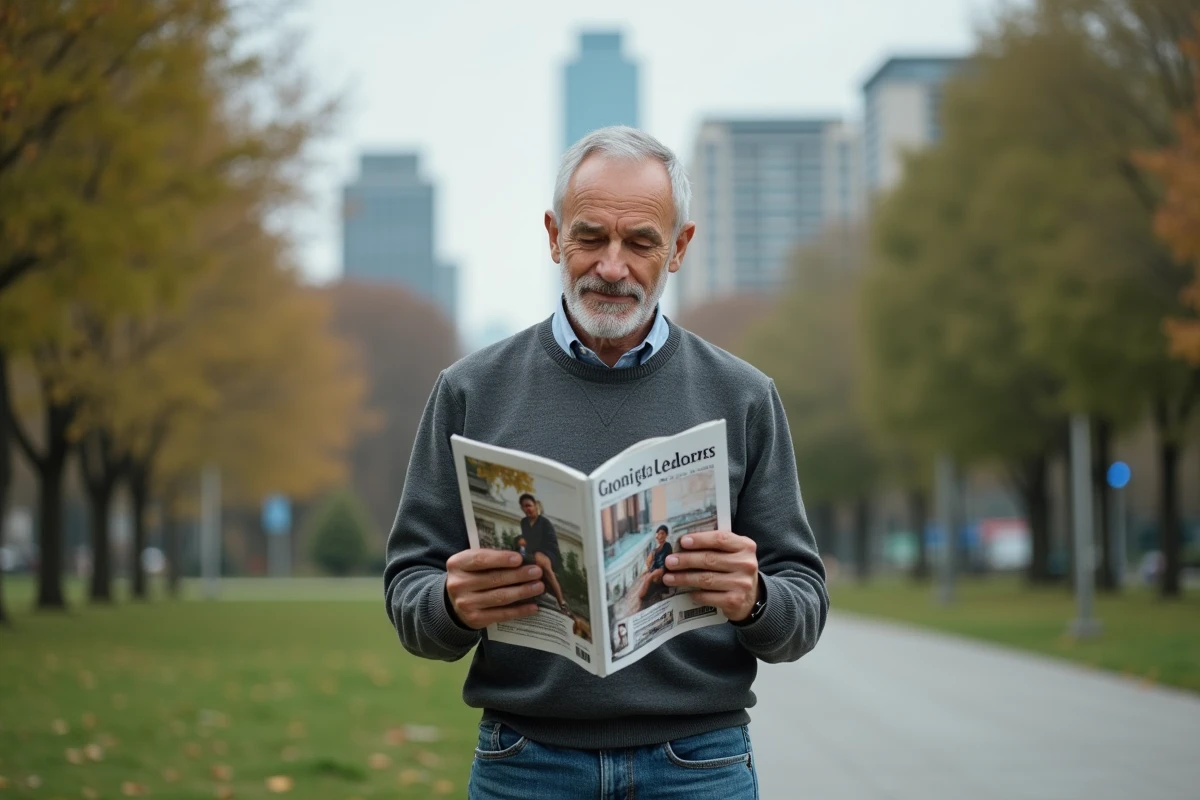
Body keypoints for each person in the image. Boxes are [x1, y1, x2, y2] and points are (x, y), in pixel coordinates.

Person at [385, 126, 828, 799]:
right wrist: (449, 603)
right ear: (553, 234)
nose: (612, 267)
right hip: (523, 762)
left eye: (641, 242)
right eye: (590, 236)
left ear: (679, 248)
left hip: (699, 765)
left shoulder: (743, 397)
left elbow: (804, 605)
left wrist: (756, 597)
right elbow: (407, 589)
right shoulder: (470, 391)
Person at [515, 493, 569, 614]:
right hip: (533, 551)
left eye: (529, 505)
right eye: (524, 507)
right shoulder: (524, 522)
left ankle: (562, 602)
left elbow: (550, 541)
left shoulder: (544, 522)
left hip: (549, 551)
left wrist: (528, 542)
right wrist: (521, 540)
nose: (527, 509)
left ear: (535, 505)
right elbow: (526, 539)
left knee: (541, 560)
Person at [638, 524, 674, 608]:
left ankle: (642, 595)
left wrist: (659, 570)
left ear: (666, 535)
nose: (660, 536)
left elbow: (667, 561)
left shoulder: (667, 546)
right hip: (655, 570)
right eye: (659, 534)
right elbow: (649, 562)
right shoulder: (655, 550)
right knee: (646, 575)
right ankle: (644, 597)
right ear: (656, 536)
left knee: (652, 575)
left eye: (662, 533)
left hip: (663, 570)